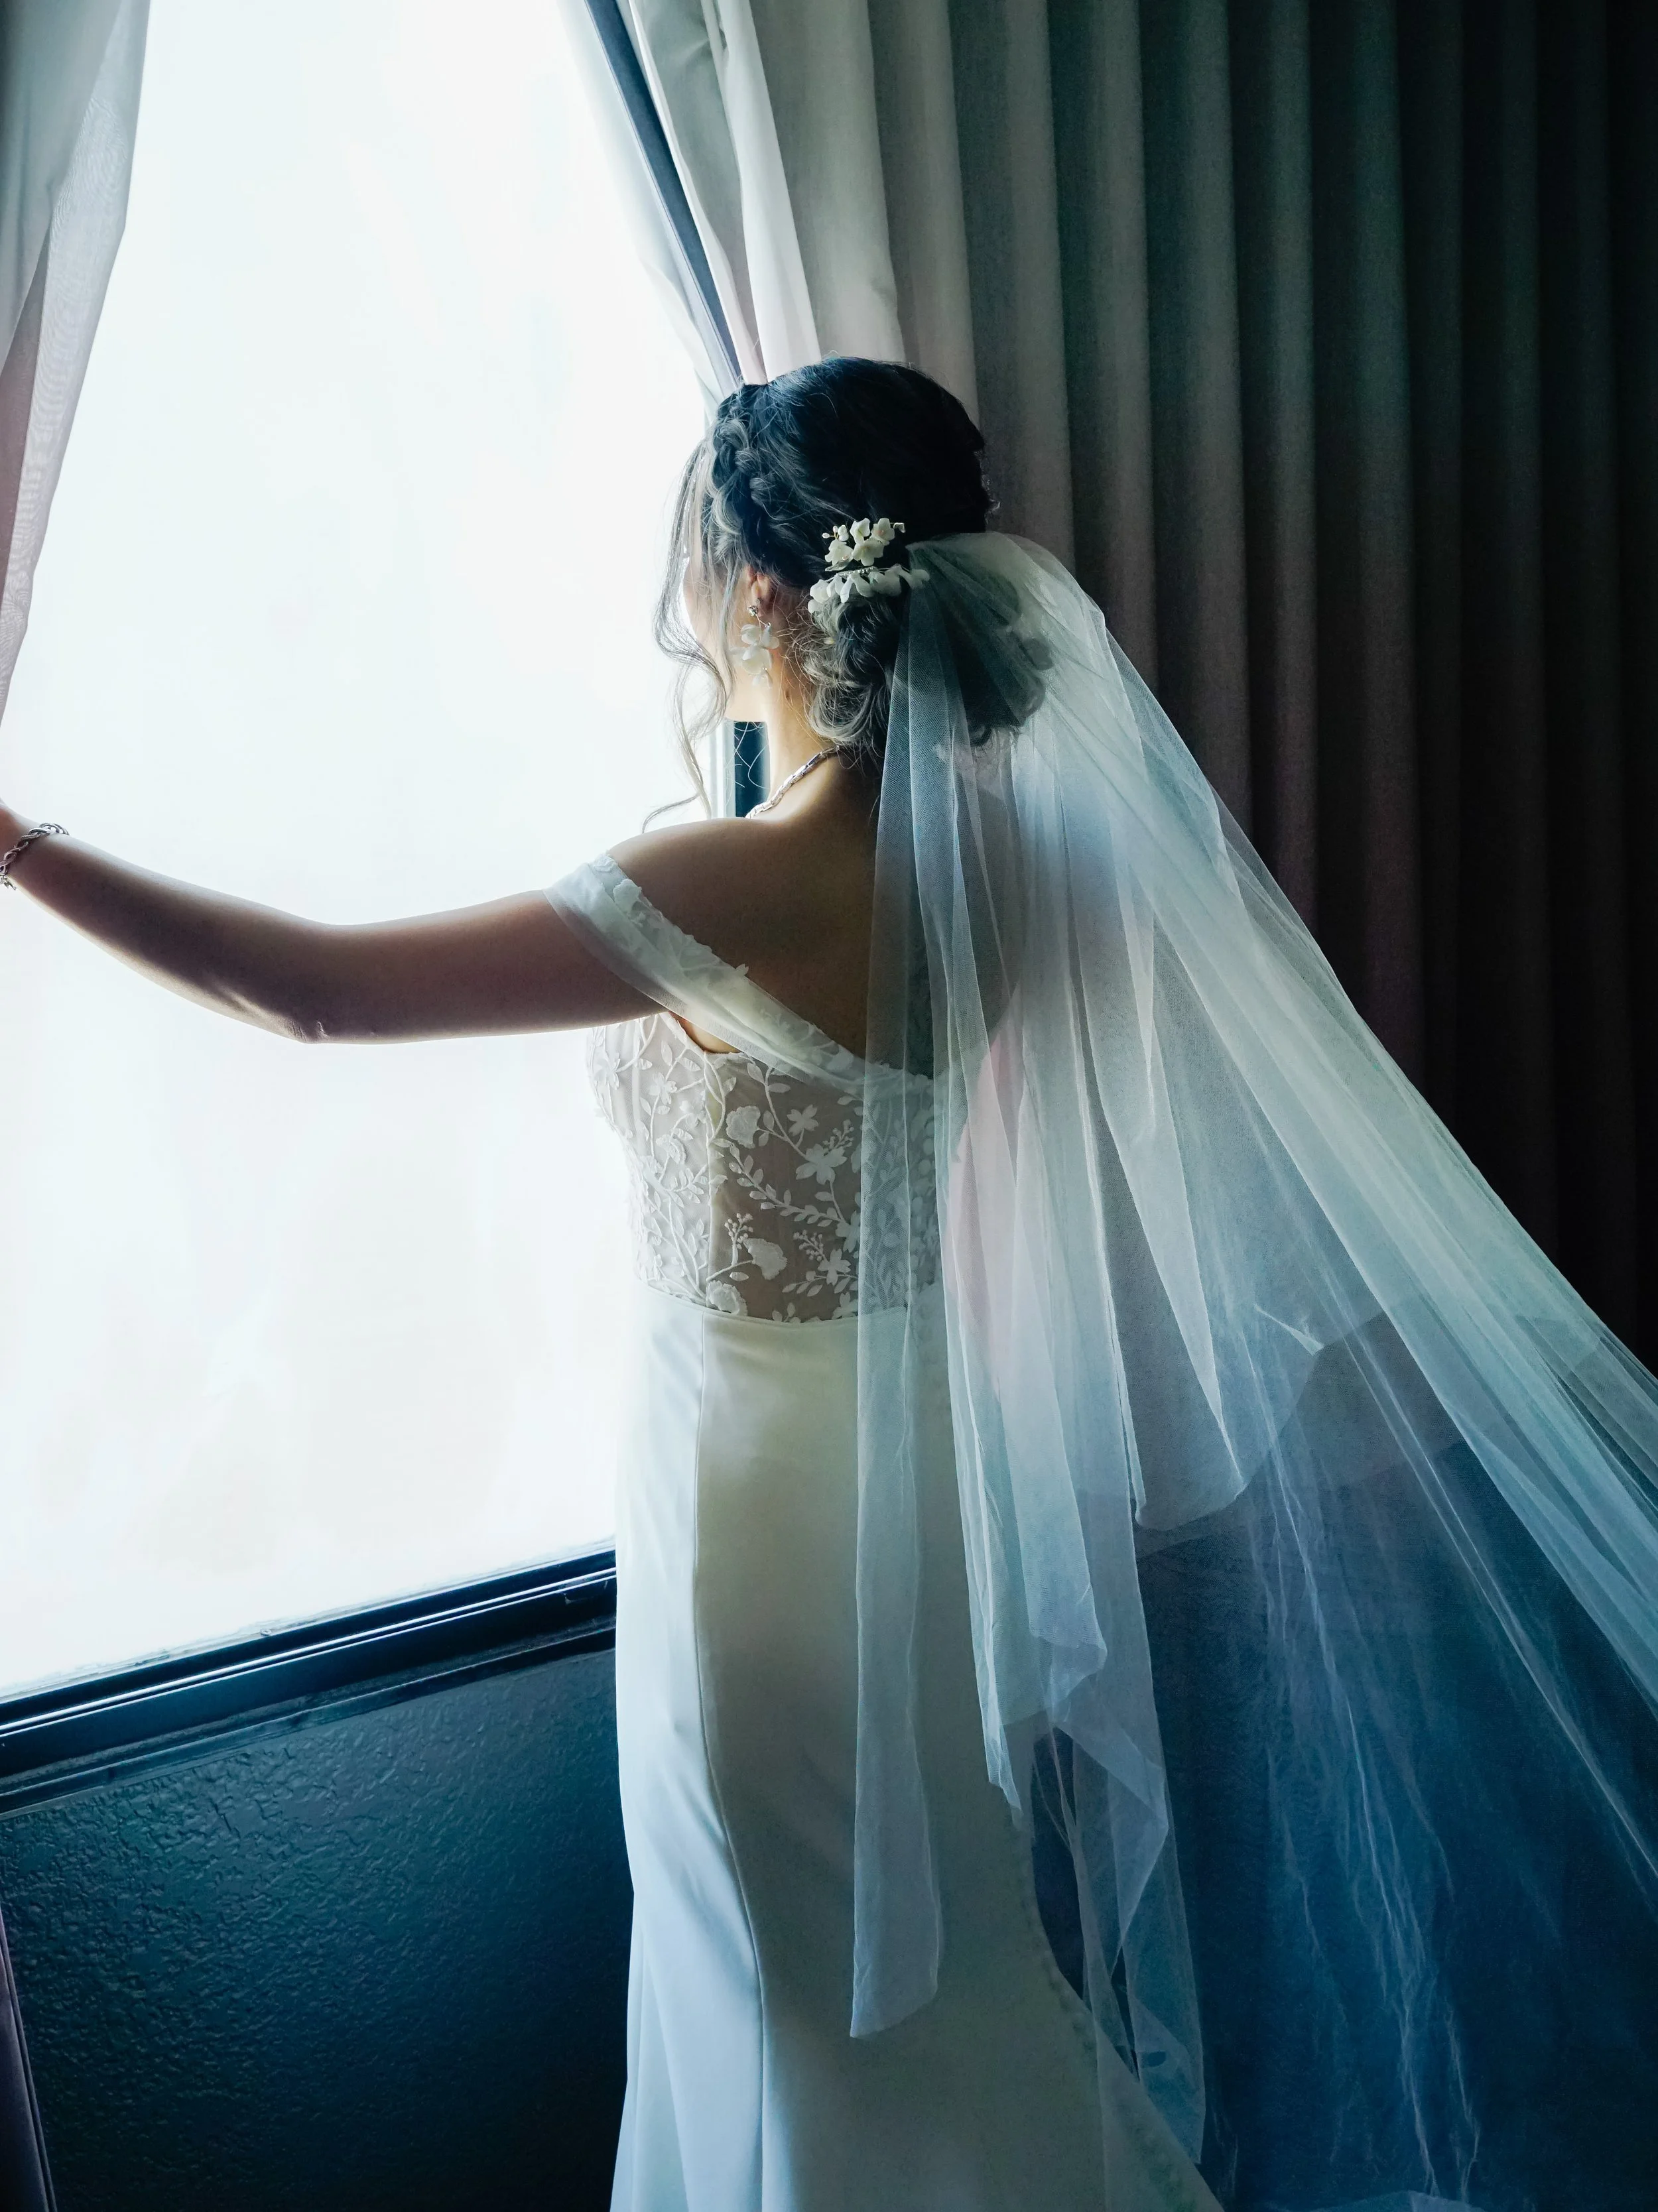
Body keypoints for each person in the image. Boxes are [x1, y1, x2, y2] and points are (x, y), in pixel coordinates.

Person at [3, 357, 1656, 2212]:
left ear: (767, 597)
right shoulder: (1031, 864)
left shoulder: (734, 883)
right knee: (923, 1969)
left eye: (702, 572)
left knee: (802, 1985)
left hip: (766, 1510)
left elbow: (314, 990)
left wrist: (17, 846)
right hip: (926, 1469)